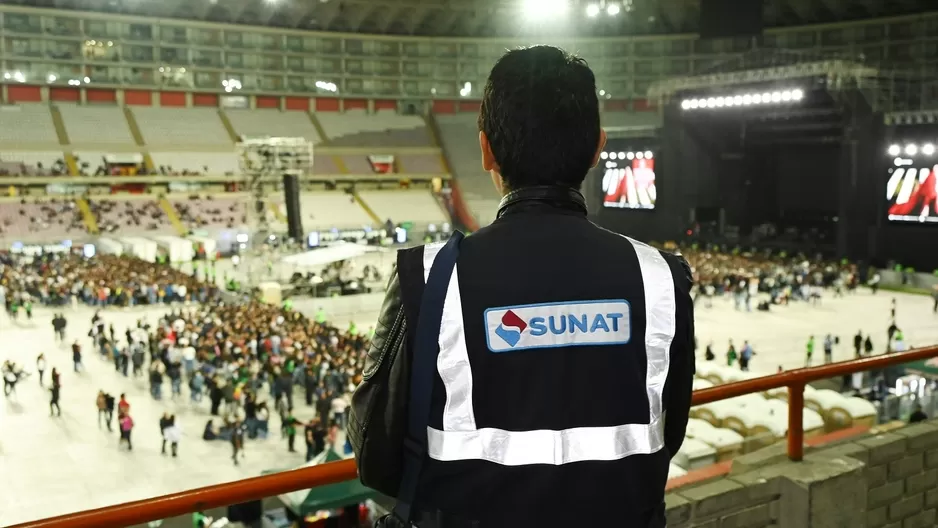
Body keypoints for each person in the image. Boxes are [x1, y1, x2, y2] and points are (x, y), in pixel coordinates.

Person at [350, 46, 695, 528]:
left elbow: (374, 452)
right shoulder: (662, 276)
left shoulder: (430, 277)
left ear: (486, 148)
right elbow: (669, 429)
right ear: (598, 147)